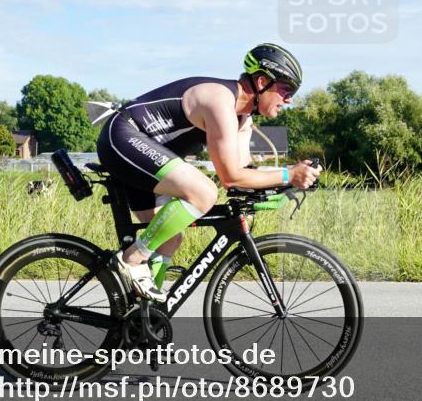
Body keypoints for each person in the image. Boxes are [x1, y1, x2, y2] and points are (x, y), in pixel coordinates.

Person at [95, 43, 321, 302]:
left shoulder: (243, 120)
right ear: (261, 82)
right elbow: (229, 176)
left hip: (146, 156)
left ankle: (140, 315)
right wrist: (288, 174)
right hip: (123, 137)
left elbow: (242, 178)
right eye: (286, 90)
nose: (289, 99)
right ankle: (131, 260)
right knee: (204, 192)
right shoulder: (219, 101)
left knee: (169, 236)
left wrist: (284, 187)